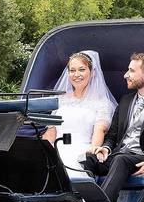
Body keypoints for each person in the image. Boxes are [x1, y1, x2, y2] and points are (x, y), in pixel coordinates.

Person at [82, 52, 144, 202]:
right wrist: (105, 148)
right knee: (88, 160)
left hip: (140, 158)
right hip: (117, 155)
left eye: (131, 70)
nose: (125, 75)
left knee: (121, 160)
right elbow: (112, 135)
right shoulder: (125, 101)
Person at [42, 51, 117, 179]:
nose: (76, 74)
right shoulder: (60, 99)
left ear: (92, 73)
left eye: (81, 70)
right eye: (72, 70)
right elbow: (51, 131)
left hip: (82, 150)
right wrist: (43, 151)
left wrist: (93, 150)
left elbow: (100, 131)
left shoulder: (102, 103)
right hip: (57, 149)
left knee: (73, 166)